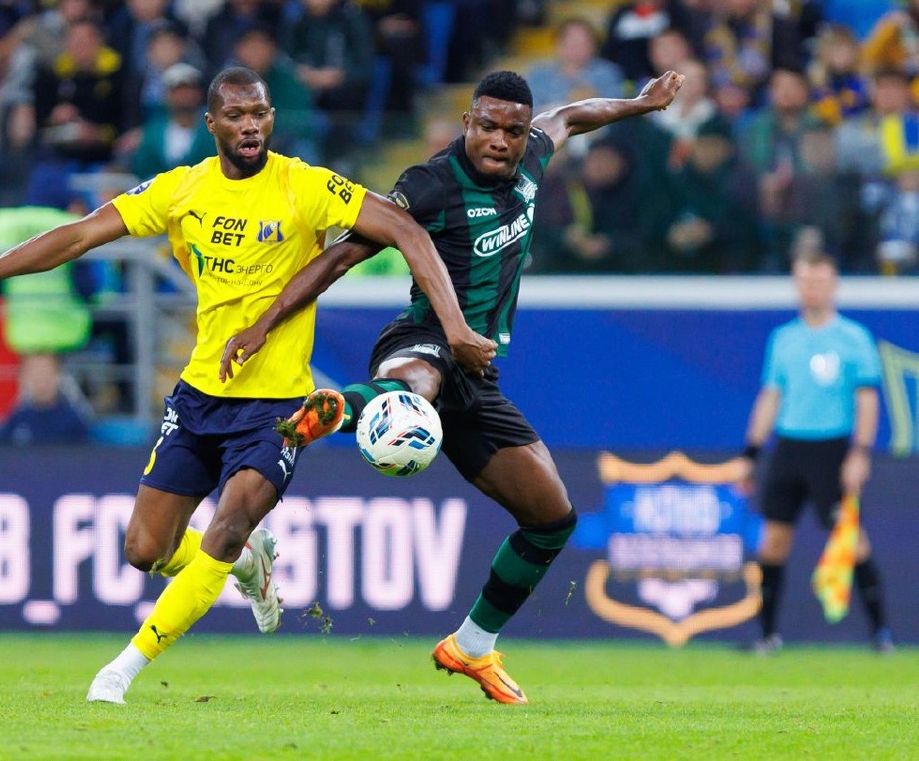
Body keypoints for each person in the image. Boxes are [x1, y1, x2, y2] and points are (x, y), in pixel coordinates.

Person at [0, 66, 495, 704]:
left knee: (227, 527)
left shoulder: (305, 184)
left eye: (259, 113)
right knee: (144, 549)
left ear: (271, 118)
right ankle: (248, 562)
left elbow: (405, 228)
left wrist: (453, 327)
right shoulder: (182, 189)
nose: (250, 126)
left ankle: (120, 671)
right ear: (211, 125)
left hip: (277, 405)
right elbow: (79, 235)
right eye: (235, 116)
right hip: (201, 394)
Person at [220, 68, 684, 704]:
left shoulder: (532, 157)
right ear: (468, 122)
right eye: (487, 126)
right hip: (425, 338)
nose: (499, 140)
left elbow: (573, 115)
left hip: (478, 377)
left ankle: (471, 646)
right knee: (415, 384)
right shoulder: (430, 183)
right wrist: (264, 323)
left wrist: (639, 103)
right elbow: (341, 255)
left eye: (512, 130)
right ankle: (338, 410)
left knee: (551, 520)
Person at [735, 253, 894, 654]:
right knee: (773, 541)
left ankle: (881, 634)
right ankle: (767, 636)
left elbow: (867, 400)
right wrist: (751, 453)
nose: (812, 289)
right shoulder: (783, 338)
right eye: (805, 281)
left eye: (819, 281)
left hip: (833, 449)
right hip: (790, 447)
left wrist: (859, 453)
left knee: (851, 540)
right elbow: (771, 397)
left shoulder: (854, 338)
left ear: (834, 285)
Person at [0, 352, 91, 445]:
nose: (40, 377)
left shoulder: (73, 421)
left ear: (57, 374)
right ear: (24, 377)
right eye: (34, 372)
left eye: (46, 371)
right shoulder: (16, 419)